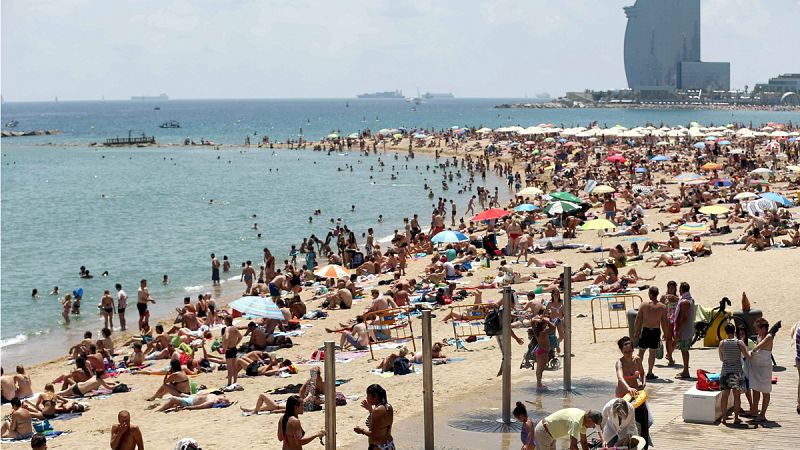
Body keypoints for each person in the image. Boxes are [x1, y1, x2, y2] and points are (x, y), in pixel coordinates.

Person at [615, 336, 650, 448]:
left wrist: (643, 383)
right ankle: (624, 445)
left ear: (633, 350)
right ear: (621, 351)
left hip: (636, 395)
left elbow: (643, 373)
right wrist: (628, 388)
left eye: (630, 351)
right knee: (625, 424)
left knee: (645, 419)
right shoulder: (619, 362)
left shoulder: (637, 359)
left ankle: (644, 444)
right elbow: (620, 377)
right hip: (623, 396)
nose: (628, 354)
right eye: (625, 352)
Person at [633, 286, 669, 379]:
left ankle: (637, 371)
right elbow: (664, 322)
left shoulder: (644, 305)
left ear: (650, 293)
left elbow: (638, 319)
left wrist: (636, 331)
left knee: (641, 352)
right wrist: (665, 333)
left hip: (645, 330)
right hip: (655, 331)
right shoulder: (662, 307)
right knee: (652, 353)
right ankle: (649, 372)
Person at [718, 322, 748, 425]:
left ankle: (724, 418)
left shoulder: (722, 343)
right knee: (737, 396)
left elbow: (721, 359)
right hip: (737, 373)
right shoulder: (739, 343)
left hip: (725, 371)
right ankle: (736, 418)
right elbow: (746, 355)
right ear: (734, 331)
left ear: (726, 332)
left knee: (724, 396)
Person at [533, 407, 602, 450]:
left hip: (552, 435)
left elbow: (583, 442)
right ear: (589, 419)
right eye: (594, 425)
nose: (593, 428)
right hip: (543, 432)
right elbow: (573, 447)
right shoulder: (576, 422)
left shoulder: (584, 422)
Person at [747, 318, 774, 422]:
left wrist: (750, 351)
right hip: (757, 365)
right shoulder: (759, 336)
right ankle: (754, 410)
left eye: (757, 329)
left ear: (763, 328)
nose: (756, 331)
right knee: (755, 388)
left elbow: (758, 347)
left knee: (765, 390)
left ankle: (762, 414)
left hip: (765, 367)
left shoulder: (769, 337)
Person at [354, 384, 394, 450]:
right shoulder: (389, 407)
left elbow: (374, 435)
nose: (367, 398)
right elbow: (382, 426)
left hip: (378, 447)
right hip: (389, 444)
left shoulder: (377, 410)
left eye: (368, 396)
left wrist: (361, 431)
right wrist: (370, 410)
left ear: (375, 397)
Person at [673, 282, 695, 379]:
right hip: (688, 329)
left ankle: (686, 371)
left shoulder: (685, 302)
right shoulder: (690, 299)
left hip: (685, 330)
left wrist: (679, 331)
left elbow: (683, 318)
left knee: (684, 350)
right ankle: (685, 370)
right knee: (684, 350)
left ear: (682, 289)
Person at [157, 392, 231, 412]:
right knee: (181, 394)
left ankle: (160, 410)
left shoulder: (211, 401)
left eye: (223, 401)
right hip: (193, 397)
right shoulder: (216, 395)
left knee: (173, 399)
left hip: (190, 402)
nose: (223, 398)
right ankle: (172, 405)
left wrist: (187, 407)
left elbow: (199, 406)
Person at [222, 316, 242, 387]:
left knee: (229, 367)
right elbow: (240, 337)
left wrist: (225, 347)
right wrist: (236, 343)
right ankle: (235, 381)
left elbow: (227, 338)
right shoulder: (234, 328)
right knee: (234, 367)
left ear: (226, 321)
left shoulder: (227, 328)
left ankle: (229, 383)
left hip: (229, 349)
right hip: (234, 348)